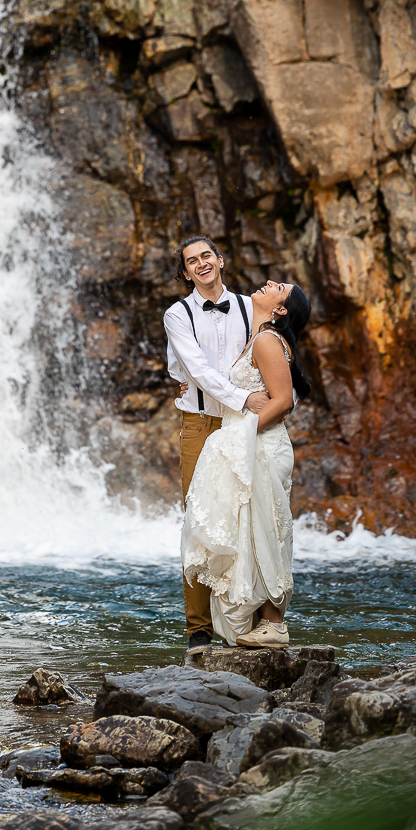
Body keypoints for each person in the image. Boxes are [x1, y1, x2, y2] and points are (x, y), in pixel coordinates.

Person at [180, 280, 312, 648]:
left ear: (281, 309)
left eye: (279, 286)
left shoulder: (269, 340)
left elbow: (283, 400)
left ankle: (274, 623)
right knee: (248, 529)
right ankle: (258, 620)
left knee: (267, 527)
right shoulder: (258, 338)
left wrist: (244, 435)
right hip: (250, 443)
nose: (270, 282)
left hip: (260, 444)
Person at [163, 236, 271, 655]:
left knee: (248, 513)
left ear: (220, 260)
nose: (201, 263)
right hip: (201, 424)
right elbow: (197, 370)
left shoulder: (249, 306)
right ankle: (199, 629)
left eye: (206, 255)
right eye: (192, 261)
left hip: (245, 424)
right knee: (198, 520)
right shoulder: (178, 313)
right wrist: (245, 397)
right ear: (186, 272)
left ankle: (254, 619)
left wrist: (274, 401)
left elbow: (271, 354)